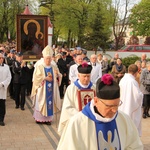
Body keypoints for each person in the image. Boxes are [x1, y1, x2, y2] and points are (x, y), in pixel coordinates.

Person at [57, 74, 143, 149]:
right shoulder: (77, 123)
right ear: (96, 101)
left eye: (117, 105)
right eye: (109, 106)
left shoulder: (124, 120)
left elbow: (135, 146)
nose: (114, 110)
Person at [58, 62, 95, 135]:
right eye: (84, 76)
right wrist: (81, 114)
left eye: (88, 76)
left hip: (91, 121)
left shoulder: (94, 88)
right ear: (78, 75)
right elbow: (67, 107)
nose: (86, 79)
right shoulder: (71, 88)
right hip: (77, 120)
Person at [31, 45, 62, 124]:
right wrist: (45, 78)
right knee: (41, 102)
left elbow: (59, 75)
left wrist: (57, 75)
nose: (48, 60)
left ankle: (48, 119)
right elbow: (36, 77)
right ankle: (39, 119)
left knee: (50, 103)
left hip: (51, 88)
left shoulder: (53, 66)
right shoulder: (40, 66)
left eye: (50, 58)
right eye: (47, 58)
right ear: (44, 58)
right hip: (42, 88)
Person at [119, 64, 143, 136]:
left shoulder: (122, 80)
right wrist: (142, 95)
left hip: (122, 106)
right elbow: (137, 96)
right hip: (131, 107)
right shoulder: (133, 82)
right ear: (136, 73)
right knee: (132, 126)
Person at [0, 53, 11, 126]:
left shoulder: (6, 67)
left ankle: (1, 119)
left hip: (2, 89)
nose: (1, 59)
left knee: (2, 105)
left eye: (2, 58)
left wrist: (3, 84)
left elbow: (9, 77)